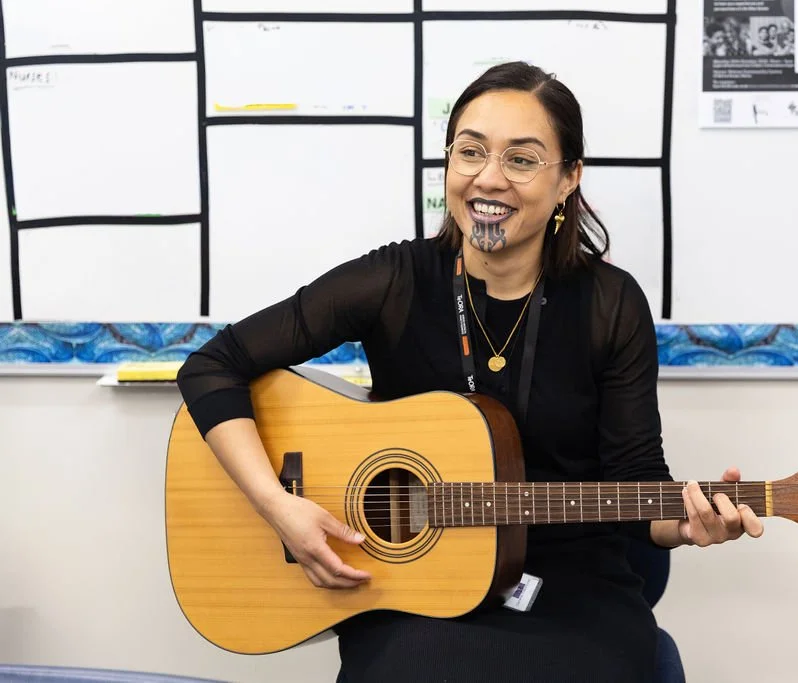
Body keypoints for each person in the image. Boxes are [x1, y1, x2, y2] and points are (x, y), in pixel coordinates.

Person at [175, 60, 764, 683]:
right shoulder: (393, 281)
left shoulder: (610, 304)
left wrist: (691, 522)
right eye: (470, 151)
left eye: (521, 158)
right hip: (414, 584)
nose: (488, 178)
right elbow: (214, 367)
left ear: (568, 179)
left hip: (572, 584)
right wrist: (277, 506)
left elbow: (637, 480)